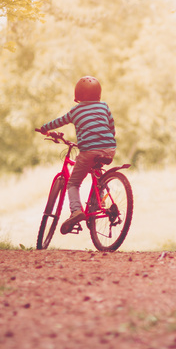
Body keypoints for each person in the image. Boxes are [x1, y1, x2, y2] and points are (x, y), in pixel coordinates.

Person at [36, 76, 116, 234]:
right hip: (109, 148)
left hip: (89, 151)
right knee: (96, 171)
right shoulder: (104, 107)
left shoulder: (76, 111)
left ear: (78, 94)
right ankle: (99, 203)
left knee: (73, 183)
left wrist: (45, 128)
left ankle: (76, 211)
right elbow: (111, 127)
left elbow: (59, 121)